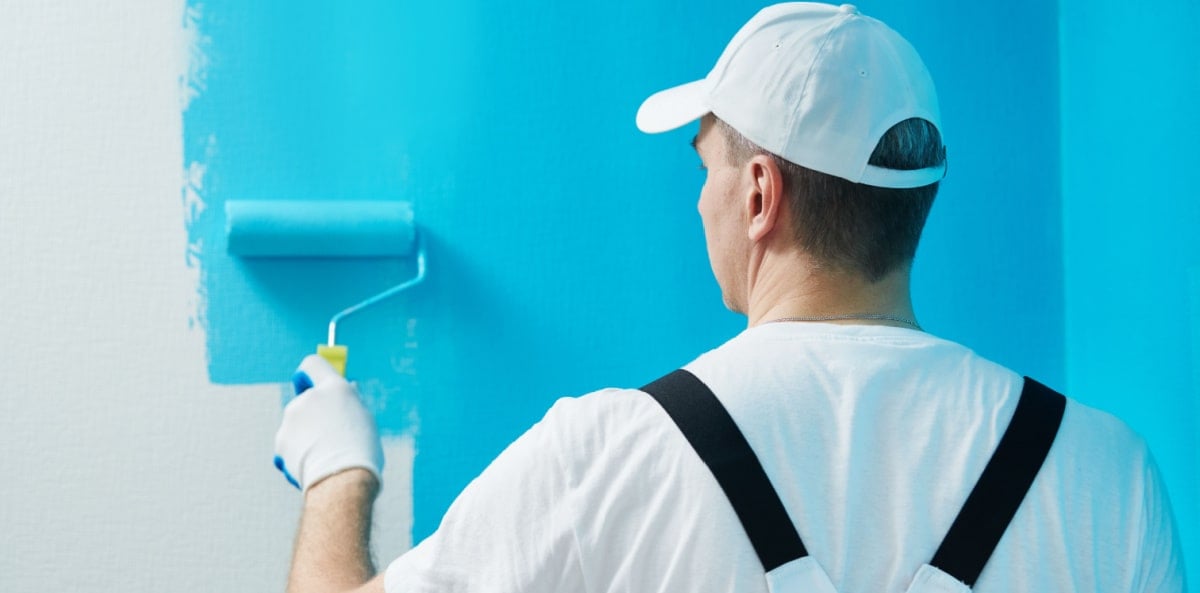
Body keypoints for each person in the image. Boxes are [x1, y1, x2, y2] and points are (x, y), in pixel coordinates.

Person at [272, 3, 1188, 592]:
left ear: (759, 195)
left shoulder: (607, 453)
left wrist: (339, 470)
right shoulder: (1107, 475)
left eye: (706, 164)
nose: (699, 197)